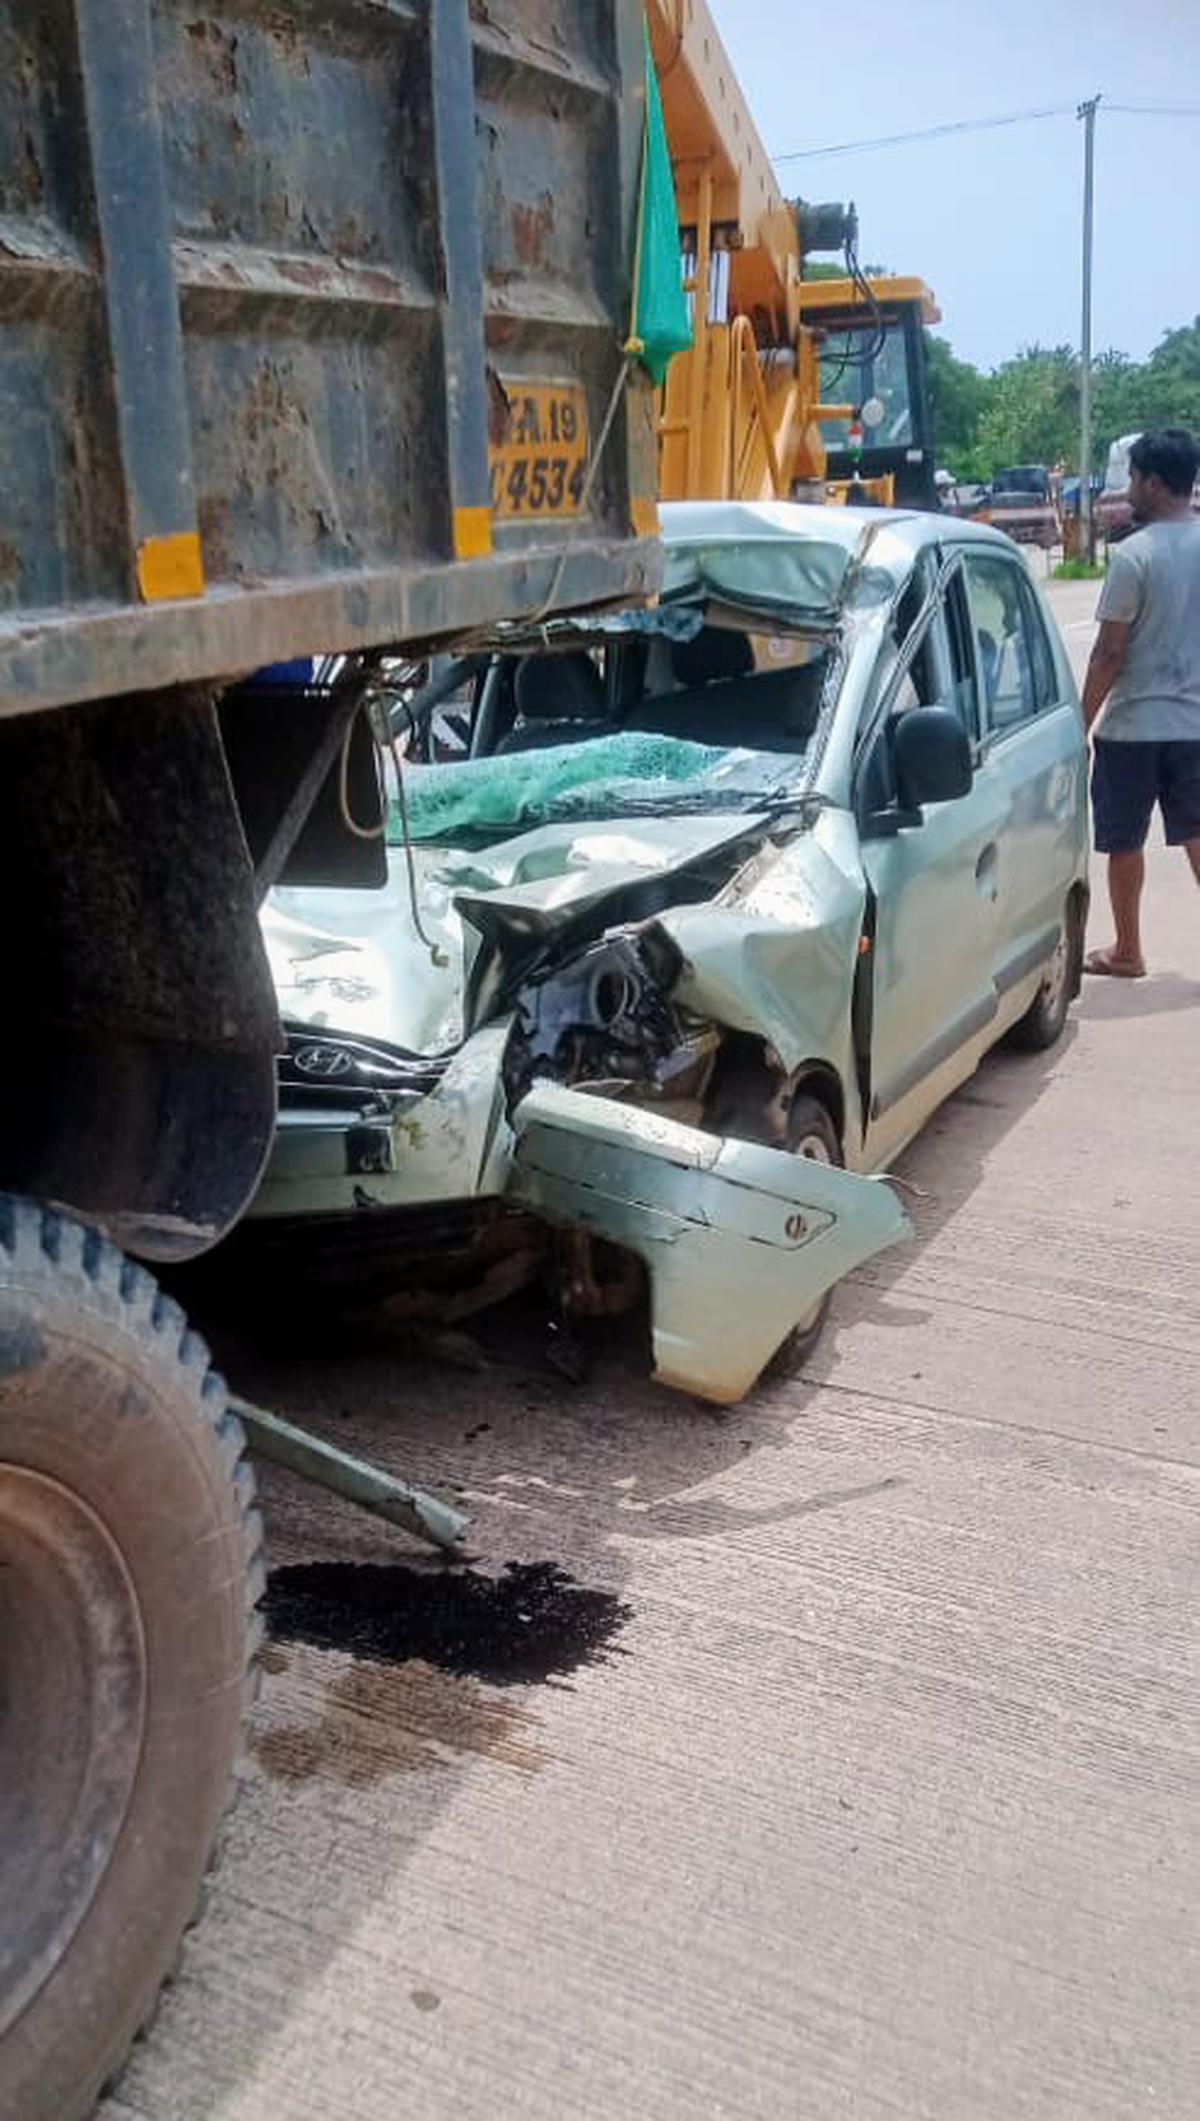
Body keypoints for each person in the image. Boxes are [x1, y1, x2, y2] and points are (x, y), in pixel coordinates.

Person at [1081, 427, 1200, 977]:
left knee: (1124, 841)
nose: (1128, 487)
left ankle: (1127, 950)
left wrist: (1078, 724)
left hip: (1133, 728)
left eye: (1131, 477)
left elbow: (1108, 653)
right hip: (1194, 725)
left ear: (1153, 482)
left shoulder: (1133, 557)